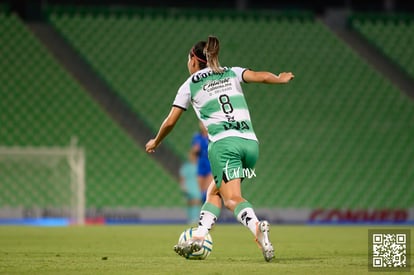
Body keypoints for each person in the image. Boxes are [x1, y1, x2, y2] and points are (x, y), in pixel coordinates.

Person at [145, 35, 294, 262]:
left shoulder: (190, 85)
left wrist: (156, 141)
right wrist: (279, 79)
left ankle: (257, 228)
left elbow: (171, 121)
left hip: (225, 145)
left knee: (232, 199)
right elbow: (260, 77)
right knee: (214, 191)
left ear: (194, 61)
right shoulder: (231, 71)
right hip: (250, 144)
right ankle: (199, 235)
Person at [190, 121, 213, 203]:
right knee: (198, 193)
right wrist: (194, 151)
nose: (203, 125)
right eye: (201, 123)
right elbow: (192, 155)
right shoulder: (197, 137)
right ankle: (199, 213)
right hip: (200, 165)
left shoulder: (212, 137)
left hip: (211, 166)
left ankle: (213, 212)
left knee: (208, 192)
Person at [179, 151, 202, 225]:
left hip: (198, 187)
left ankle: (196, 218)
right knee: (191, 203)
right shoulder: (186, 166)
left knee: (197, 202)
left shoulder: (200, 165)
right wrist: (183, 186)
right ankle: (192, 219)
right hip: (189, 187)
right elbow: (182, 177)